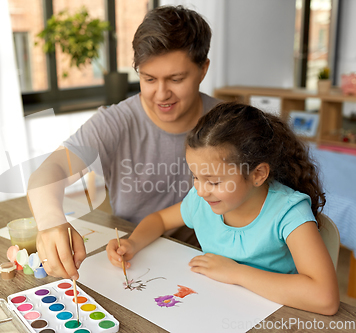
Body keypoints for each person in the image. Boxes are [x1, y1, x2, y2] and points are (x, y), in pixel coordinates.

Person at [28, 5, 220, 280]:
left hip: (207, 262)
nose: (162, 94)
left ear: (203, 70)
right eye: (149, 79)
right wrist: (50, 222)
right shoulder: (116, 122)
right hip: (131, 259)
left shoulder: (228, 124)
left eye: (176, 79)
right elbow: (48, 173)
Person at [106, 102, 340, 315]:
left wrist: (236, 273)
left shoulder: (288, 212)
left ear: (258, 174)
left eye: (214, 181)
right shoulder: (203, 201)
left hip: (278, 316)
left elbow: (325, 298)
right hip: (216, 308)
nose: (200, 190)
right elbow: (160, 220)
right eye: (195, 177)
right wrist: (132, 243)